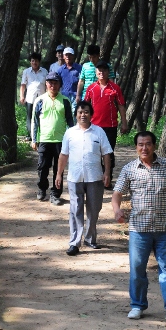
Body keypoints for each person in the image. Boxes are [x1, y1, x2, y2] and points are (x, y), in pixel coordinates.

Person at [111, 131, 166, 321]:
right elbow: (117, 193)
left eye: (148, 144)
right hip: (139, 229)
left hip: (164, 227)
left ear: (154, 146)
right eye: (141, 145)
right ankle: (137, 305)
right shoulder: (129, 169)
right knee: (137, 269)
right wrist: (117, 210)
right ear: (136, 147)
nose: (145, 148)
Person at [55, 101, 112, 256]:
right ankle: (74, 242)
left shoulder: (99, 132)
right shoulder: (70, 133)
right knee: (75, 210)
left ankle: (90, 238)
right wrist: (59, 174)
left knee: (94, 210)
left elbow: (106, 153)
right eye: (80, 112)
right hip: (75, 177)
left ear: (91, 114)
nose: (83, 115)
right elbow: (63, 155)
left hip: (95, 177)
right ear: (76, 115)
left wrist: (107, 173)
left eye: (86, 112)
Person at [31, 72, 74, 205]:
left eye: (55, 83)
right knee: (42, 167)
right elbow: (34, 122)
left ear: (59, 85)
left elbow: (70, 123)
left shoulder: (65, 101)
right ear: (46, 84)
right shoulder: (39, 100)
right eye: (50, 82)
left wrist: (72, 140)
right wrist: (34, 139)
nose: (52, 85)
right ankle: (42, 189)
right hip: (44, 140)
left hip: (61, 142)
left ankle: (55, 194)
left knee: (58, 170)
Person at [84, 59, 129, 186]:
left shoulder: (115, 88)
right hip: (94, 126)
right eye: (99, 70)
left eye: (104, 70)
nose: (101, 72)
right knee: (94, 152)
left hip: (110, 126)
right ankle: (96, 178)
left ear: (108, 72)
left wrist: (124, 123)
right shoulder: (91, 88)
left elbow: (121, 106)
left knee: (108, 153)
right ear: (96, 72)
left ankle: (107, 178)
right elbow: (85, 107)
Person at [20, 52, 48, 138]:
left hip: (42, 98)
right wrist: (22, 96)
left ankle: (40, 134)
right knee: (30, 117)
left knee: (41, 117)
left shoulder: (44, 71)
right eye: (32, 61)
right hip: (30, 98)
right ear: (30, 62)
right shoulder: (26, 72)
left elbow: (47, 85)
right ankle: (31, 135)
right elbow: (23, 85)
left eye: (36, 61)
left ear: (39, 62)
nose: (34, 63)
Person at [57, 47, 82, 121]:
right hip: (64, 96)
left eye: (70, 55)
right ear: (63, 56)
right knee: (65, 115)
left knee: (74, 116)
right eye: (66, 55)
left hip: (75, 96)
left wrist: (78, 95)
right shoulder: (60, 70)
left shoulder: (79, 68)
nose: (68, 57)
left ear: (73, 56)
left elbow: (82, 82)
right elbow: (58, 83)